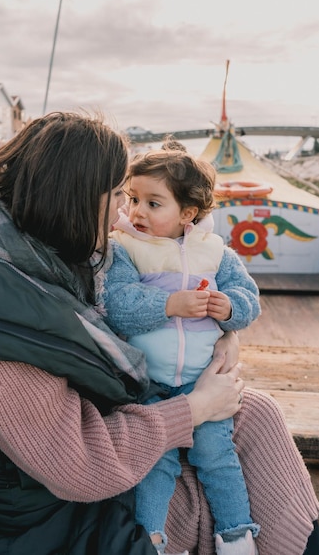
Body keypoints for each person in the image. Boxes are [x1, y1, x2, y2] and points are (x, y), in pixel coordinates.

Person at [0, 112, 317, 555]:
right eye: (120, 193)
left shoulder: (36, 261)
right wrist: (192, 408)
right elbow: (76, 466)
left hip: (93, 483)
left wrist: (219, 329)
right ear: (77, 196)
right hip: (69, 526)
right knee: (246, 433)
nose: (127, 210)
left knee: (253, 412)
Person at [102, 144, 261, 554]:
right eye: (133, 198)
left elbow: (249, 300)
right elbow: (117, 306)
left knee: (217, 457)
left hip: (200, 380)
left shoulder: (217, 253)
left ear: (188, 213)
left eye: (153, 203)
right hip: (148, 383)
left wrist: (229, 309)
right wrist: (169, 304)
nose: (136, 211)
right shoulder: (124, 248)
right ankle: (151, 539)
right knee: (156, 462)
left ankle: (236, 535)